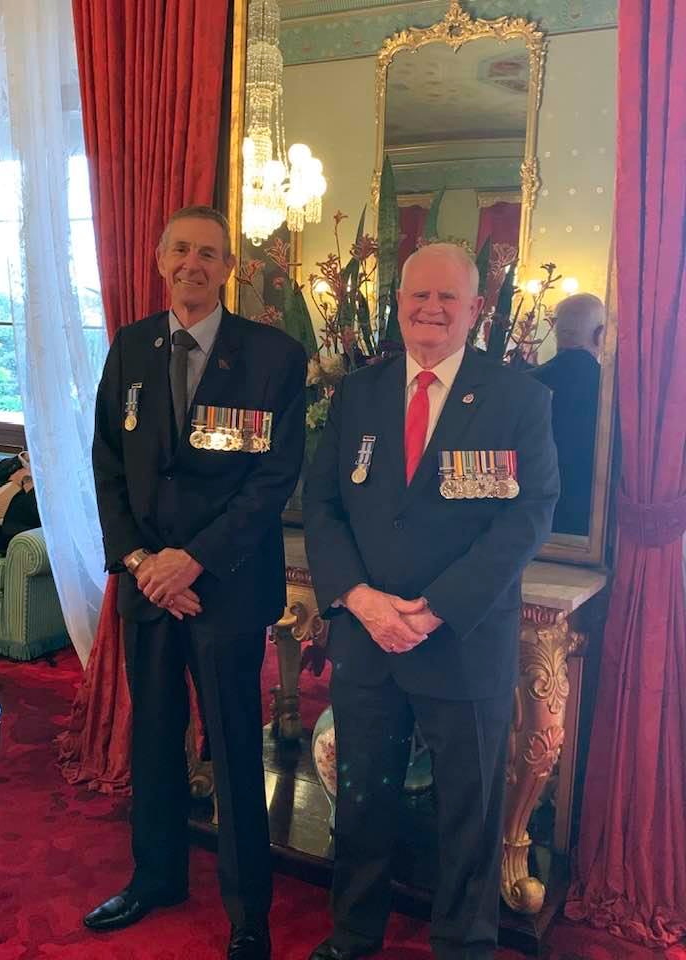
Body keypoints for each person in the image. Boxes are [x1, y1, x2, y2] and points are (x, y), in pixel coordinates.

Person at [303, 243, 559, 960]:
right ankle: (354, 934)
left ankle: (465, 944)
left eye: (448, 297)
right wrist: (360, 599)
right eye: (418, 295)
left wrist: (437, 607)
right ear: (398, 303)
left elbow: (530, 513)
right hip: (367, 637)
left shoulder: (518, 398)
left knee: (468, 813)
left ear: (476, 309)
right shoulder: (358, 393)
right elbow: (322, 505)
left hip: (463, 641)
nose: (431, 309)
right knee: (361, 797)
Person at [85, 205, 306, 960]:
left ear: (228, 269)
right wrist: (142, 564)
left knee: (236, 745)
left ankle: (248, 911)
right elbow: (107, 466)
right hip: (150, 587)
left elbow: (272, 479)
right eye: (180, 250)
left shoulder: (274, 357)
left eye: (209, 253)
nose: (193, 265)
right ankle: (156, 878)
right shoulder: (131, 347)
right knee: (152, 736)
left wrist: (193, 561)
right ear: (159, 259)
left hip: (228, 588)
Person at [532, 293, 604, 536]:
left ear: (556, 331)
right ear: (600, 334)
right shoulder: (611, 389)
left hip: (531, 518)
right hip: (590, 522)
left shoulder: (525, 382)